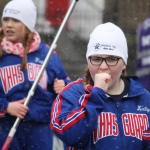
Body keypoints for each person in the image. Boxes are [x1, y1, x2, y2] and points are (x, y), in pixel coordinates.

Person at [50, 22, 150, 150]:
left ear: (124, 63)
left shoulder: (144, 99)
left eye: (112, 59)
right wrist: (96, 95)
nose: (103, 67)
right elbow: (69, 135)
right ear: (88, 61)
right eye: (96, 59)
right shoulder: (71, 94)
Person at [0, 0, 71, 149]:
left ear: (27, 26)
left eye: (16, 20)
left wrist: (64, 86)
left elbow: (67, 86)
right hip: (5, 128)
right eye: (6, 19)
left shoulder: (47, 53)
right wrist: (6, 106)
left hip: (40, 130)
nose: (9, 25)